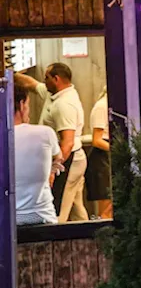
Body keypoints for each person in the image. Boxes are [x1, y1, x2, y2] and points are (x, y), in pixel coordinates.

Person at [41, 63, 86, 222]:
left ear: (56, 79)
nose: (43, 81)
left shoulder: (64, 104)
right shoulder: (58, 93)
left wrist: (53, 170)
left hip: (68, 159)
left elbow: (67, 143)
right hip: (74, 158)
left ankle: (55, 243)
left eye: (46, 77)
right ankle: (92, 241)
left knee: (59, 210)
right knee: (76, 208)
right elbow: (31, 85)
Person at [13, 76, 59, 226]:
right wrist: (52, 168)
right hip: (43, 217)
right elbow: (58, 157)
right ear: (21, 104)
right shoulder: (45, 133)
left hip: (7, 220)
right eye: (28, 104)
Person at [85, 91, 111, 219]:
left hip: (109, 157)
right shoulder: (102, 106)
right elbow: (97, 140)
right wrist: (118, 149)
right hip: (101, 159)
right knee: (106, 209)